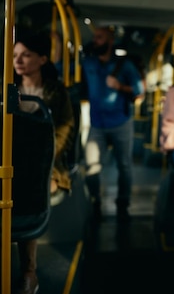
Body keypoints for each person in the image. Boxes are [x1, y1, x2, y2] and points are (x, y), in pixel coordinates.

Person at [13, 31, 76, 294]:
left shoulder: (55, 93)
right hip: (12, 162)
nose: (19, 60)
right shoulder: (8, 88)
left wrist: (45, 154)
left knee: (31, 192)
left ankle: (29, 269)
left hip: (48, 164)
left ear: (42, 59)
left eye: (26, 55)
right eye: (15, 55)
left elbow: (64, 131)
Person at [81, 26, 144, 223]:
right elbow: (63, 69)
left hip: (120, 122)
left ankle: (123, 204)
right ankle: (95, 203)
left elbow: (139, 91)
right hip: (97, 123)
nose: (95, 41)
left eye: (99, 37)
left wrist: (120, 87)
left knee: (124, 166)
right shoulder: (88, 62)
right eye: (95, 38)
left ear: (110, 41)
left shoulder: (124, 66)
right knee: (91, 166)